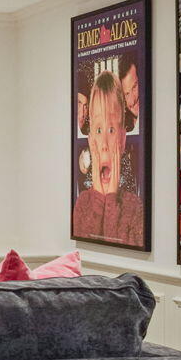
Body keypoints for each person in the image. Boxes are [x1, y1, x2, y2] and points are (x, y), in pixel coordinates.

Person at [72, 64, 145, 246]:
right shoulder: (82, 203)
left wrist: (111, 197)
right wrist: (98, 195)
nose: (104, 144)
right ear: (90, 140)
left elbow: (119, 249)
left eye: (111, 130)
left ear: (122, 138)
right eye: (98, 130)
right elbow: (87, 249)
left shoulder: (135, 208)